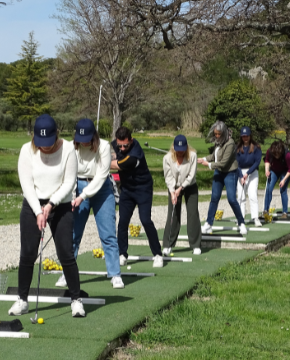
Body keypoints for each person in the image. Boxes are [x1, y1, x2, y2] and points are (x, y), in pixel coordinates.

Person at [10, 114, 85, 317]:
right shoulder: (27, 150)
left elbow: (69, 182)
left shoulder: (68, 149)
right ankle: (22, 300)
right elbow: (26, 185)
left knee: (66, 254)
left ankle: (76, 300)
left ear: (56, 135)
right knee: (27, 253)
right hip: (32, 203)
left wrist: (51, 204)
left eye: (48, 143)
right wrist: (37, 211)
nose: (44, 147)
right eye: (40, 143)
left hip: (59, 204)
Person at [54, 119, 124, 289]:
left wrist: (83, 196)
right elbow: (67, 174)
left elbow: (101, 176)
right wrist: (72, 197)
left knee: (108, 234)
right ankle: (66, 273)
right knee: (73, 235)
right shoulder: (70, 147)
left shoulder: (104, 147)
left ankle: (115, 274)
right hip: (77, 186)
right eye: (80, 138)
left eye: (86, 138)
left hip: (102, 190)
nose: (83, 142)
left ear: (94, 136)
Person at [111, 126, 164, 268]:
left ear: (131, 141)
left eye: (125, 145)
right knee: (123, 222)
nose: (122, 148)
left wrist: (104, 162)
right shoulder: (116, 145)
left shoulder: (135, 153)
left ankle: (158, 254)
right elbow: (108, 151)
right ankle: (122, 254)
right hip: (127, 190)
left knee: (145, 220)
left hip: (143, 189)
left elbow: (120, 164)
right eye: (119, 145)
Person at [198, 121, 247, 235]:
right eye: (215, 133)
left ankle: (241, 223)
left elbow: (223, 163)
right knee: (214, 197)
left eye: (219, 134)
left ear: (224, 133)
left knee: (231, 199)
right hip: (218, 172)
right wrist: (203, 159)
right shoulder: (218, 142)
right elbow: (214, 156)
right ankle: (208, 224)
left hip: (230, 172)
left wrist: (208, 165)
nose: (217, 136)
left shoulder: (230, 143)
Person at [162, 135, 202, 255]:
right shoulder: (167, 158)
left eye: (183, 149)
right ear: (173, 147)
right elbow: (168, 177)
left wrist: (181, 188)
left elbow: (191, 175)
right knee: (173, 213)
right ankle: (167, 244)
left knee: (193, 214)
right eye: (178, 150)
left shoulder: (193, 156)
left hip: (190, 186)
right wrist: (172, 191)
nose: (180, 152)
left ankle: (195, 245)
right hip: (173, 187)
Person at [236, 126, 262, 227]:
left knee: (252, 195)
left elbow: (257, 162)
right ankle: (241, 219)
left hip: (253, 172)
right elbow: (236, 163)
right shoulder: (238, 148)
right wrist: (241, 175)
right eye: (243, 136)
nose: (245, 138)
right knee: (241, 196)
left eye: (246, 136)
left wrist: (248, 173)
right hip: (240, 173)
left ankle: (255, 218)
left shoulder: (256, 147)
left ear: (250, 136)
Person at [263, 140, 290, 219]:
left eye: (278, 154)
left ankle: (285, 212)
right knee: (269, 189)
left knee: (282, 189)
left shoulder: (287, 155)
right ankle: (265, 210)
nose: (276, 156)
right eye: (275, 154)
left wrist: (283, 180)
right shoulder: (269, 151)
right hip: (274, 170)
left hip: (285, 171)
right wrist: (267, 170)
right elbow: (266, 160)